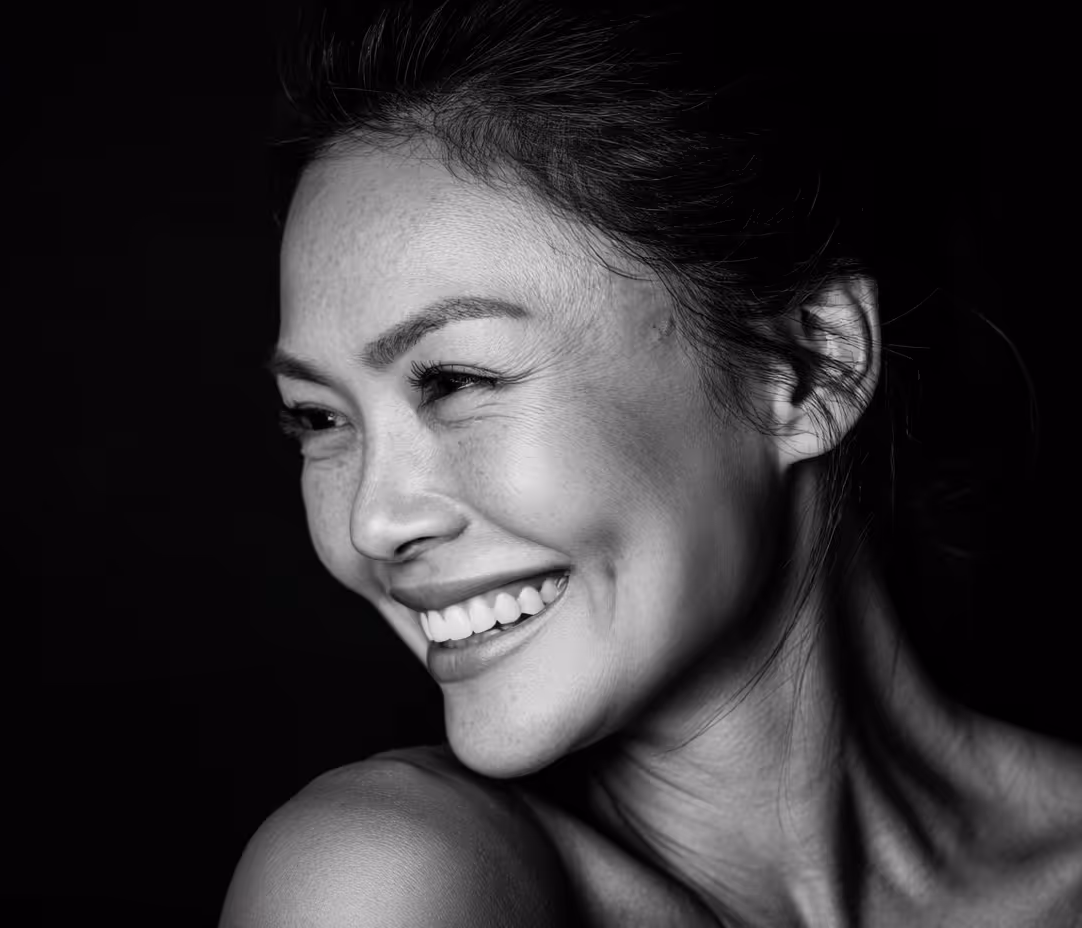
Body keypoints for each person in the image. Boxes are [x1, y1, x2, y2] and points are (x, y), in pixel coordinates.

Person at [220, 1, 1082, 924]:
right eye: (317, 418)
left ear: (810, 371)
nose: (372, 524)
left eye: (457, 380)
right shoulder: (383, 880)